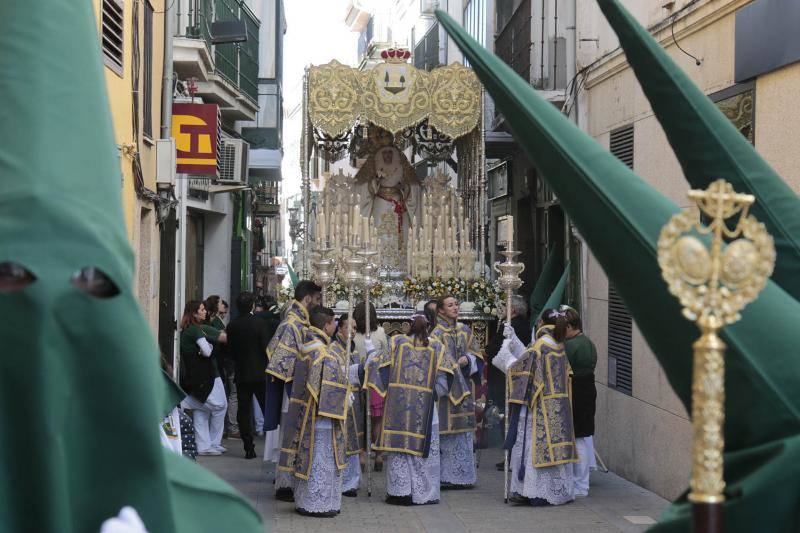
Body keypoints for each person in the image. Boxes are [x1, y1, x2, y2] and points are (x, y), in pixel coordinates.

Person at [367, 314, 470, 505]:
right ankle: (425, 494)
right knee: (423, 453)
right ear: (428, 327)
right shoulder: (437, 347)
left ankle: (400, 493)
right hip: (427, 411)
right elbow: (448, 376)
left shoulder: (396, 342)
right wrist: (434, 395)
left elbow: (378, 367)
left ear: (409, 326)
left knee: (400, 451)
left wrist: (370, 356)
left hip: (398, 407)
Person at [501, 308, 577, 506]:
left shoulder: (542, 345)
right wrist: (515, 338)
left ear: (541, 322)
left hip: (540, 406)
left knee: (533, 448)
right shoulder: (558, 344)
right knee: (553, 451)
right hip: (559, 404)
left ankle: (535, 492)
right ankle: (556, 490)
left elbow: (521, 369)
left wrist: (505, 353)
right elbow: (529, 355)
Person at [289, 306, 350, 517]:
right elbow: (331, 389)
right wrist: (348, 393)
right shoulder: (325, 353)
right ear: (327, 325)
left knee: (311, 457)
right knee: (321, 458)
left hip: (304, 412)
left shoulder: (306, 346)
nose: (335, 326)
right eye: (334, 322)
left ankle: (306, 499)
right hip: (321, 417)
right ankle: (319, 502)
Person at [265, 280, 322, 501]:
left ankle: (291, 480)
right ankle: (284, 484)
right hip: (291, 387)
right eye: (316, 300)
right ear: (307, 298)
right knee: (288, 435)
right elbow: (280, 357)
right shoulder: (292, 323)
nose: (318, 304)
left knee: (295, 435)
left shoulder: (300, 321)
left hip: (298, 387)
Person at [431, 295, 483, 489]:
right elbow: (435, 359)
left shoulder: (465, 330)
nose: (455, 308)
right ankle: (445, 476)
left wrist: (468, 360)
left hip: (465, 387)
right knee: (446, 432)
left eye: (456, 304)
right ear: (441, 310)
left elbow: (477, 353)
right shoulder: (436, 334)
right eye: (450, 305)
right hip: (447, 389)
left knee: (463, 433)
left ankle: (462, 476)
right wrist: (451, 366)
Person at [485, 295, 532, 470]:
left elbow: (499, 347)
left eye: (505, 307)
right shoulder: (515, 323)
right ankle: (510, 456)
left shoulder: (513, 326)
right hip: (505, 375)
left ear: (512, 310)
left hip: (506, 376)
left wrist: (489, 351)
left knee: (506, 416)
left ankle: (511, 457)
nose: (502, 310)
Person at [180, 300, 228, 456]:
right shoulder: (196, 330)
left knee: (203, 412)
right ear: (194, 313)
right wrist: (211, 347)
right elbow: (207, 351)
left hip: (196, 373)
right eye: (201, 309)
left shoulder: (188, 329)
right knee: (219, 405)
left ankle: (204, 445)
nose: (204, 311)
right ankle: (184, 401)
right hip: (202, 374)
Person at [225, 291, 270, 459]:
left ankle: (248, 446)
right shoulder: (259, 323)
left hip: (242, 373)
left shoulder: (232, 325)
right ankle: (272, 445)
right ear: (252, 305)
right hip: (260, 373)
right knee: (267, 408)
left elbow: (231, 351)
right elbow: (267, 348)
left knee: (243, 411)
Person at [563, 306, 598, 497]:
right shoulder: (588, 343)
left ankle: (579, 485)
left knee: (577, 440)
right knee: (583, 439)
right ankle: (582, 484)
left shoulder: (571, 345)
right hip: (588, 390)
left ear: (569, 326)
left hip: (575, 391)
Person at [329, 313, 365, 497]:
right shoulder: (334, 348)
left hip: (355, 400)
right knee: (342, 440)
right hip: (342, 400)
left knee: (354, 440)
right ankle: (341, 481)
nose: (352, 331)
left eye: (355, 328)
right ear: (339, 329)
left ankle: (352, 481)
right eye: (348, 327)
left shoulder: (353, 348)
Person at [352, 301, 389, 471]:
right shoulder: (380, 332)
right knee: (377, 419)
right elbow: (387, 357)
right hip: (376, 382)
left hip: (357, 379)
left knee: (360, 419)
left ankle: (361, 455)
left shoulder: (352, 334)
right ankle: (379, 454)